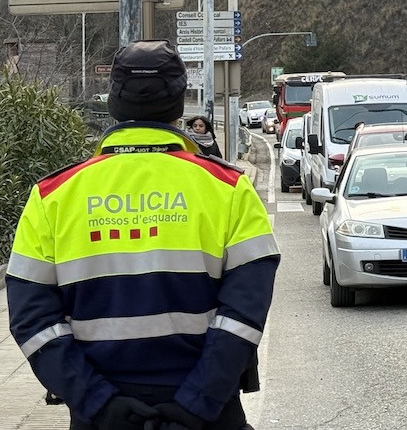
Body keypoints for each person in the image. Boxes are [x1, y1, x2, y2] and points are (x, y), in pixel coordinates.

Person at [5, 40, 279, 430]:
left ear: (113, 105)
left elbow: (32, 321)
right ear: (180, 104)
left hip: (100, 416)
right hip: (208, 415)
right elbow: (244, 314)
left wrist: (98, 404)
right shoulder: (228, 188)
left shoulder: (53, 196)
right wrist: (195, 403)